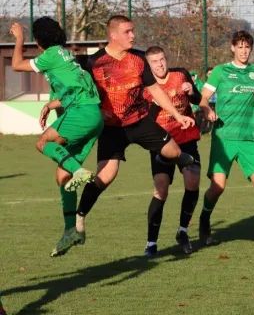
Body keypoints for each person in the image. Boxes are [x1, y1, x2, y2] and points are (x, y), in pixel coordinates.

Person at [64, 15, 196, 252]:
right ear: (113, 35)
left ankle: (179, 158)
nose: (133, 36)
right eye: (128, 32)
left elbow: (155, 90)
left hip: (139, 121)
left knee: (175, 151)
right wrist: (94, 110)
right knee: (106, 175)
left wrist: (178, 116)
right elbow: (72, 89)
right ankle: (80, 216)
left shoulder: (137, 59)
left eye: (133, 31)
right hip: (113, 129)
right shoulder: (94, 62)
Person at [9, 19, 103, 257]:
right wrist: (52, 104)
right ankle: (71, 230)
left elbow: (17, 65)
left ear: (39, 40)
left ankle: (80, 172)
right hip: (92, 115)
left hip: (81, 113)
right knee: (62, 175)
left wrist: (19, 38)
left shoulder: (50, 55)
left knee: (43, 142)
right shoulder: (67, 56)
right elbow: (79, 87)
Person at [197, 30, 254, 248]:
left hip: (248, 140)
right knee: (217, 188)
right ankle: (204, 221)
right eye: (240, 46)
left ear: (251, 49)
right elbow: (203, 99)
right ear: (232, 47)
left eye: (247, 47)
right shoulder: (220, 71)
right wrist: (206, 110)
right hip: (223, 138)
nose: (244, 51)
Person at [143, 46, 203, 256]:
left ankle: (183, 231)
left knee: (193, 181)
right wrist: (153, 106)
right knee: (161, 189)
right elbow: (144, 119)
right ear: (148, 66)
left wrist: (192, 91)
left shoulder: (180, 74)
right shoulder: (146, 86)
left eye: (162, 59)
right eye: (154, 62)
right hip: (161, 142)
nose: (160, 64)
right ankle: (151, 242)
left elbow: (197, 100)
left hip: (186, 138)